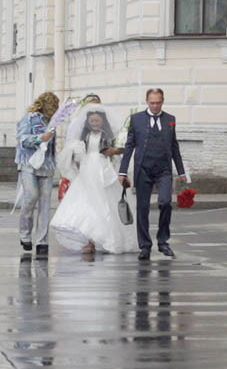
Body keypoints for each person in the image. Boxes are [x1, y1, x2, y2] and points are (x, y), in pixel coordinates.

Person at [51, 104, 132, 254]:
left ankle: (106, 238)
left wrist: (113, 154)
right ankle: (89, 240)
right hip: (87, 170)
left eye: (97, 121)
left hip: (103, 169)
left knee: (104, 204)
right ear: (88, 123)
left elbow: (118, 151)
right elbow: (80, 154)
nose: (95, 124)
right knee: (87, 204)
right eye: (92, 121)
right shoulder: (85, 137)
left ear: (102, 121)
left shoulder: (107, 136)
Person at [118, 88, 188, 261]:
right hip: (143, 168)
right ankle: (145, 246)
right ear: (147, 102)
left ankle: (163, 242)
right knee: (142, 207)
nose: (155, 106)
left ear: (162, 102)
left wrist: (181, 171)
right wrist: (122, 170)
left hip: (163, 169)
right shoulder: (137, 119)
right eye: (152, 103)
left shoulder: (170, 120)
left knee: (165, 202)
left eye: (158, 102)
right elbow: (129, 146)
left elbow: (174, 146)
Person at [15, 92, 59, 257]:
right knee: (31, 197)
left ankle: (42, 241)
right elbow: (22, 139)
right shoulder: (30, 118)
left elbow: (52, 147)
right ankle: (25, 234)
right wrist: (41, 138)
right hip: (29, 164)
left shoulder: (53, 122)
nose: (54, 111)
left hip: (46, 166)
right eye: (52, 107)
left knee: (45, 204)